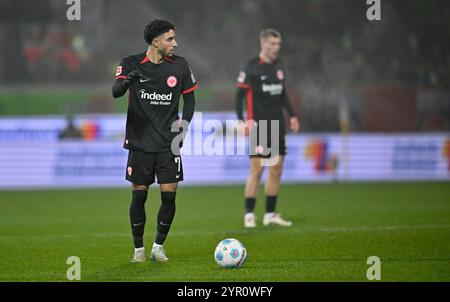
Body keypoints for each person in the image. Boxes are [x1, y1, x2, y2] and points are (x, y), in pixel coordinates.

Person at [112, 19, 197, 262]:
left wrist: (183, 127)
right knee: (139, 195)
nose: (175, 43)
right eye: (170, 39)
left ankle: (158, 246)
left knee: (169, 196)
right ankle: (138, 250)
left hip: (169, 144)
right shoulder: (130, 63)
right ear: (155, 41)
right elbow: (116, 91)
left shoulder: (180, 65)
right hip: (140, 143)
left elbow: (190, 100)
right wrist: (128, 80)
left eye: (174, 38)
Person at [235, 28, 300, 228]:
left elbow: (282, 95)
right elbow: (239, 97)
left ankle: (270, 214)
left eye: (278, 44)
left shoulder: (279, 66)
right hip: (259, 125)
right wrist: (242, 120)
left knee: (277, 169)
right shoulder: (252, 67)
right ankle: (249, 215)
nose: (275, 47)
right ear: (263, 44)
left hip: (277, 124)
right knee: (258, 169)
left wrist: (293, 115)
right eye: (272, 44)